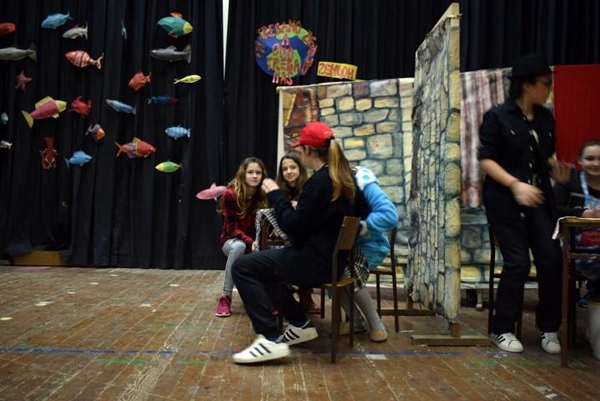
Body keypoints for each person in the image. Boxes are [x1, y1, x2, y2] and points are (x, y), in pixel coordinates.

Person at [230, 121, 369, 364]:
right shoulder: (345, 179)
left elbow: (292, 226)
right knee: (264, 267)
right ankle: (299, 323)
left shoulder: (319, 182)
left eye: (300, 149)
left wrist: (275, 194)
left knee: (242, 266)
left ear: (308, 150)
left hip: (313, 262)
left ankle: (270, 338)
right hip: (334, 262)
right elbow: (363, 212)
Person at [478, 53, 571, 354]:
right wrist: (515, 184)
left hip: (537, 197)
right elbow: (486, 160)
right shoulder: (498, 116)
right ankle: (502, 329)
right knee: (517, 262)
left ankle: (548, 327)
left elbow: (544, 155)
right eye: (546, 83)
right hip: (504, 199)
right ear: (527, 85)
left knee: (552, 258)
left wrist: (555, 170)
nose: (549, 89)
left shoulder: (545, 118)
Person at [340, 165, 399, 342]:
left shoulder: (363, 180)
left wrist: (358, 225)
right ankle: (355, 320)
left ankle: (376, 323)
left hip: (371, 246)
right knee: (326, 269)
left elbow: (390, 216)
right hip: (346, 247)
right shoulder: (326, 184)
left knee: (348, 272)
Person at [215, 157, 269, 317]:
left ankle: (270, 298)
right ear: (243, 174)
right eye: (250, 172)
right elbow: (231, 228)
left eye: (258, 172)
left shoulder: (263, 195)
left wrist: (261, 242)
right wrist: (251, 242)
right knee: (239, 246)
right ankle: (225, 297)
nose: (254, 176)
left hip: (255, 241)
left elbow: (266, 224)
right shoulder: (231, 194)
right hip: (231, 240)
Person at [553, 140, 600, 307]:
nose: (596, 163)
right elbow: (554, 209)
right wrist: (585, 214)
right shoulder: (569, 181)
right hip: (574, 249)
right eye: (590, 158)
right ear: (580, 160)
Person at [275, 150, 320, 314]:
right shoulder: (278, 193)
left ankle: (305, 295)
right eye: (284, 169)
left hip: (304, 238)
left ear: (300, 169)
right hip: (281, 238)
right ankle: (286, 296)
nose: (288, 172)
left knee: (305, 248)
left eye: (292, 167)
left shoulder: (310, 189)